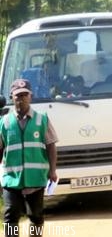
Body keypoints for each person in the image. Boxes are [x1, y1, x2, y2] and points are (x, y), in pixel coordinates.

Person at [0, 79, 58, 237]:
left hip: (36, 179)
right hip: (11, 180)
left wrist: (53, 171)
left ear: (30, 96)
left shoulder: (42, 120)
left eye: (25, 94)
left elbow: (51, 146)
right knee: (10, 217)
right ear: (12, 97)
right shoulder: (4, 122)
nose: (21, 98)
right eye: (17, 95)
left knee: (36, 217)